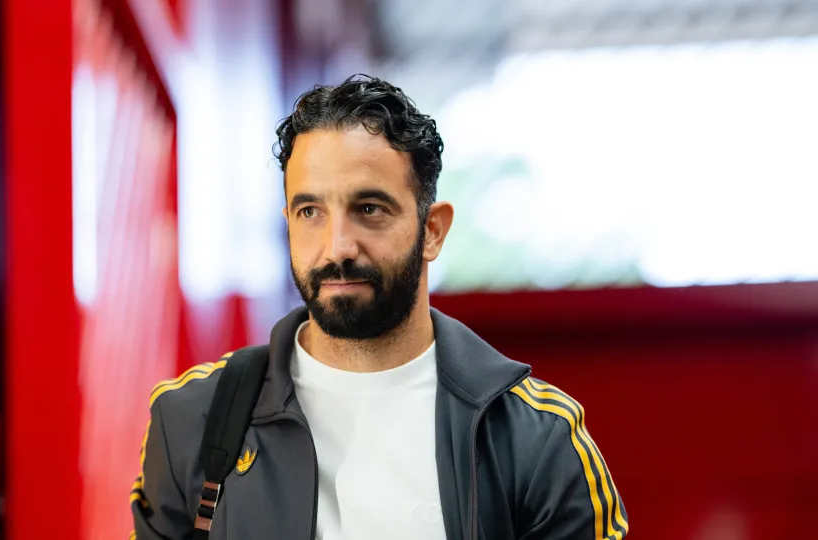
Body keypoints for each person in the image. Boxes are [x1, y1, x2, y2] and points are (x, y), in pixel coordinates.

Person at [131, 74, 628, 540]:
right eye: (310, 211)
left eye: (369, 209)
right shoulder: (192, 419)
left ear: (432, 230)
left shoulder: (536, 437)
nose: (337, 247)